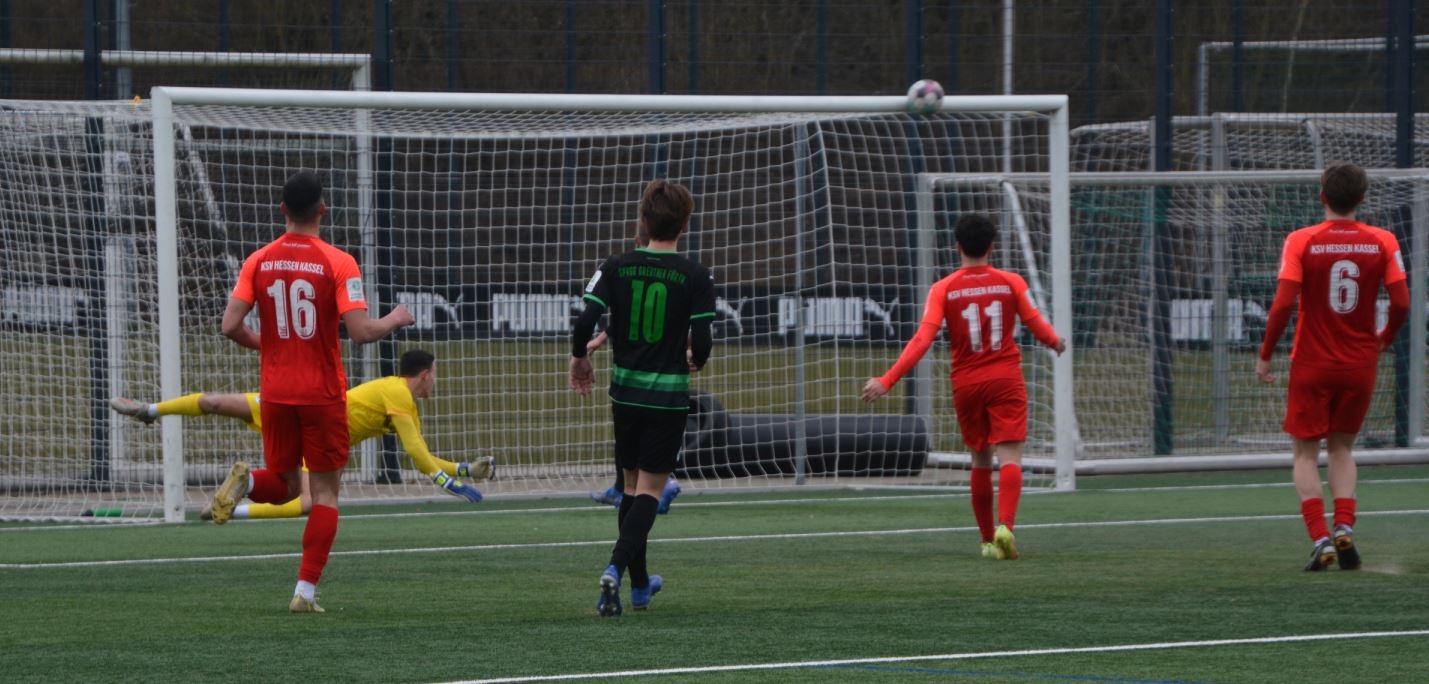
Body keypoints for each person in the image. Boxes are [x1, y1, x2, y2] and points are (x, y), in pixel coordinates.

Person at [217, 171, 414, 613]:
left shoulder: (258, 259)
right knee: (324, 495)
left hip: (275, 393)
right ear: (323, 210)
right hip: (321, 394)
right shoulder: (339, 262)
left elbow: (230, 326)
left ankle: (249, 481)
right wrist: (396, 318)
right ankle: (304, 593)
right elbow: (360, 333)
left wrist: (270, 345)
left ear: (282, 209)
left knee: (287, 485)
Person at [861, 213, 1064, 561]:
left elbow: (922, 339)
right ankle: (1006, 527)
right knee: (1010, 457)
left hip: (967, 383)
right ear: (991, 247)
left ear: (957, 247)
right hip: (1005, 379)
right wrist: (1055, 342)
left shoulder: (943, 288)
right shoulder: (1011, 282)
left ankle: (986, 541)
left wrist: (887, 379)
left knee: (980, 459)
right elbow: (1035, 322)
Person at [109, 349, 495, 519]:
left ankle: (228, 504)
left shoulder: (401, 400)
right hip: (318, 430)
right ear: (424, 374)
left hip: (301, 415)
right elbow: (416, 453)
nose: (435, 381)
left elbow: (423, 454)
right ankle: (149, 411)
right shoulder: (398, 394)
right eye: (435, 374)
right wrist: (448, 482)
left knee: (216, 403)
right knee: (313, 503)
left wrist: (465, 470)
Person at [569, 179, 715, 616]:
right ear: (685, 224)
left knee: (631, 487)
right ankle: (614, 568)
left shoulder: (616, 266)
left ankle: (638, 587)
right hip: (667, 397)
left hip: (625, 394)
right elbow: (702, 341)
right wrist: (694, 358)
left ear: (643, 220)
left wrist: (580, 358)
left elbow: (584, 322)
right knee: (650, 490)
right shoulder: (695, 275)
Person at [1256, 162, 1407, 572]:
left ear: (1322, 196)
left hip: (1312, 362)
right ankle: (1344, 527)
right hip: (1360, 363)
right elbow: (1402, 302)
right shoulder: (1383, 240)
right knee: (1342, 448)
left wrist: (1266, 353)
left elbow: (1283, 304)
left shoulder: (1301, 240)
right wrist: (1384, 337)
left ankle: (1321, 539)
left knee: (1305, 454)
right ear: (1362, 198)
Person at [584, 331, 682, 515]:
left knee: (639, 426)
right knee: (627, 430)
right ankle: (621, 487)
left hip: (647, 367)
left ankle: (661, 486)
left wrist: (599, 339)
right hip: (647, 365)